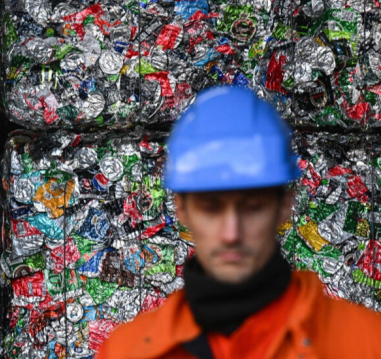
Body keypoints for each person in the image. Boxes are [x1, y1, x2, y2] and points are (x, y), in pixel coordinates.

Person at [96, 86, 381, 359]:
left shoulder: (367, 345)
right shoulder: (126, 352)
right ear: (181, 210)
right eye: (211, 208)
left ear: (285, 206)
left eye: (253, 207)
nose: (232, 233)